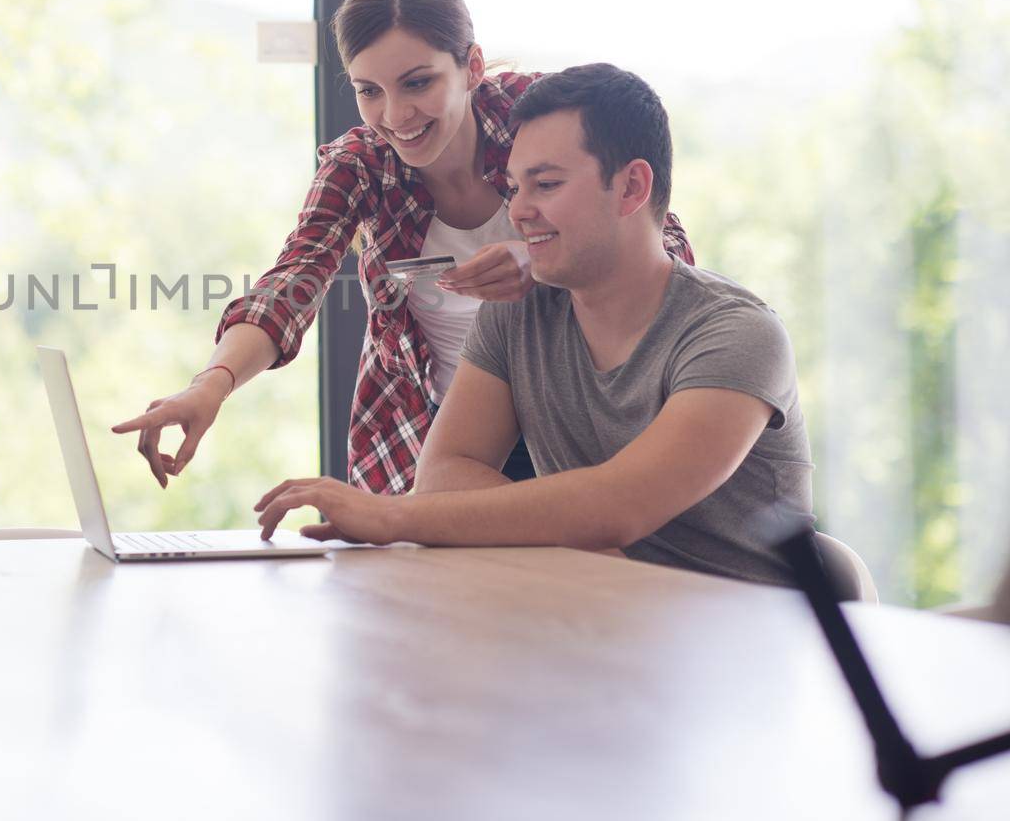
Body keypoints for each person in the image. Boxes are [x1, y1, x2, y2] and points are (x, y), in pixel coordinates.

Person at [112, 0, 693, 494]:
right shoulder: (359, 162)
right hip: (434, 436)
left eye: (418, 83)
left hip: (574, 419)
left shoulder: (539, 118)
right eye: (369, 92)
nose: (395, 116)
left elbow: (663, 243)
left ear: (471, 67)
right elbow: (294, 280)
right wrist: (210, 385)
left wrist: (537, 258)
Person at [252, 63, 816, 587]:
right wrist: (582, 536)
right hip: (592, 626)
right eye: (515, 187)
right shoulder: (516, 315)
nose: (518, 210)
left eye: (546, 185)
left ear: (632, 188)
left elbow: (621, 504)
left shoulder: (737, 335)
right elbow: (445, 471)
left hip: (736, 657)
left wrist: (392, 515)